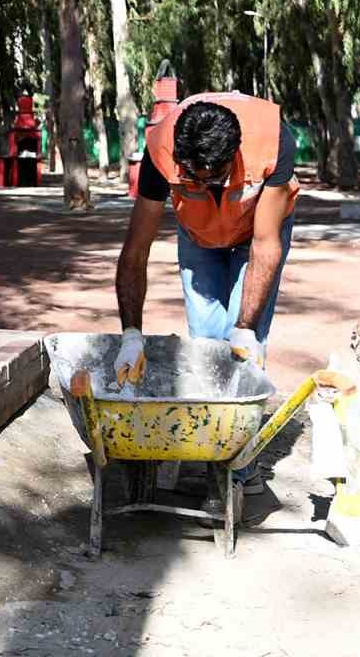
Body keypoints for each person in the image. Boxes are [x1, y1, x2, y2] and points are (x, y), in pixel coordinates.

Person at [112, 93, 299, 492]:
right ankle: (208, 447)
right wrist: (131, 334)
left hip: (257, 229)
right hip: (198, 232)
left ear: (234, 155)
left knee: (243, 347)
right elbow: (135, 251)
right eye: (194, 177)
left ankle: (237, 466)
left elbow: (266, 245)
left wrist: (247, 328)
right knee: (206, 341)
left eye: (213, 176)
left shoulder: (273, 139)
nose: (204, 182)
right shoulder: (160, 150)